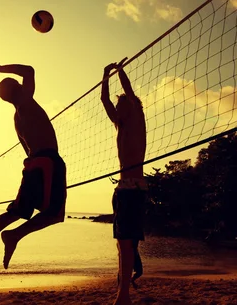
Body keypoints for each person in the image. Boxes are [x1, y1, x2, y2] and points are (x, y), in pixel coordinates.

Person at [0, 64, 67, 274]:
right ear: (16, 88)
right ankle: (12, 236)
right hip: (47, 162)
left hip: (36, 163)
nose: (19, 82)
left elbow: (27, 150)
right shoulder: (25, 101)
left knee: (16, 212)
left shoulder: (17, 118)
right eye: (16, 82)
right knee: (53, 214)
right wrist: (0, 69)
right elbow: (29, 70)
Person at [101, 58, 148, 305]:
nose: (117, 110)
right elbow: (104, 101)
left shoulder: (137, 118)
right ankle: (125, 284)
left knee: (125, 243)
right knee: (122, 244)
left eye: (122, 105)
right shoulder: (119, 125)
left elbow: (130, 94)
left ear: (131, 106)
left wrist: (120, 72)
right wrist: (104, 75)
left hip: (134, 188)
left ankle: (124, 296)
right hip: (122, 189)